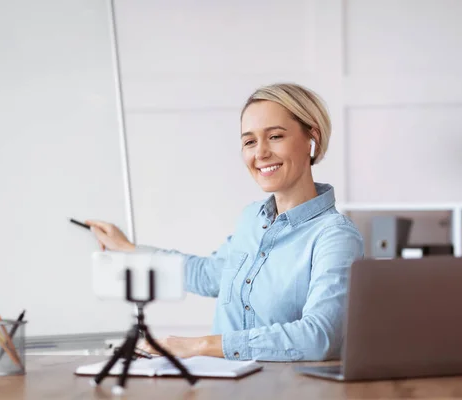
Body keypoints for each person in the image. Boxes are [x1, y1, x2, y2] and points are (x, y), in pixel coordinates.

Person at [87, 83, 364, 362]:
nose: (261, 153)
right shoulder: (251, 219)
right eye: (249, 142)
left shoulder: (335, 236)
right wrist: (129, 249)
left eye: (276, 136)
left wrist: (199, 345)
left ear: (311, 138)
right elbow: (209, 275)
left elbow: (320, 337)